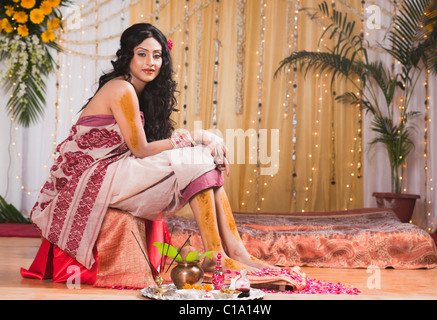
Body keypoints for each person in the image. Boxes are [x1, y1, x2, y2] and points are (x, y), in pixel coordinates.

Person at [26, 23, 273, 280]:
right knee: (197, 156)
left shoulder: (141, 92)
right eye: (142, 54)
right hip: (93, 177)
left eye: (157, 55)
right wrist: (197, 137)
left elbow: (144, 149)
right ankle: (218, 257)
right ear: (127, 56)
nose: (150, 62)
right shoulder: (121, 88)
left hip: (115, 169)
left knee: (202, 159)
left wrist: (201, 146)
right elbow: (142, 149)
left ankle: (233, 254)